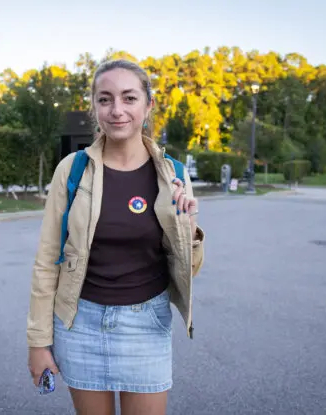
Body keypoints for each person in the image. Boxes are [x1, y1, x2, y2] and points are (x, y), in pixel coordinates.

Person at [27, 58, 205, 415]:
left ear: (148, 105)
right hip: (80, 325)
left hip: (146, 325)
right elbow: (48, 260)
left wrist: (189, 231)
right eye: (105, 99)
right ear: (94, 106)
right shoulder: (72, 170)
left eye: (129, 98)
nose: (117, 110)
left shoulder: (174, 175)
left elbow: (189, 269)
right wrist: (38, 342)